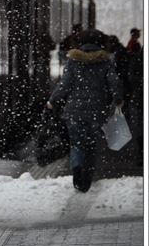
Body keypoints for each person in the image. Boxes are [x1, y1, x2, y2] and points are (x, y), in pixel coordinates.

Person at [46, 29, 122, 192]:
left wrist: (53, 100)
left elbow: (64, 85)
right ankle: (86, 179)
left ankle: (77, 168)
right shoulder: (105, 62)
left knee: (77, 144)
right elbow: (114, 83)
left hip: (74, 111)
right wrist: (119, 99)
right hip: (97, 111)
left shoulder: (73, 61)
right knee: (92, 145)